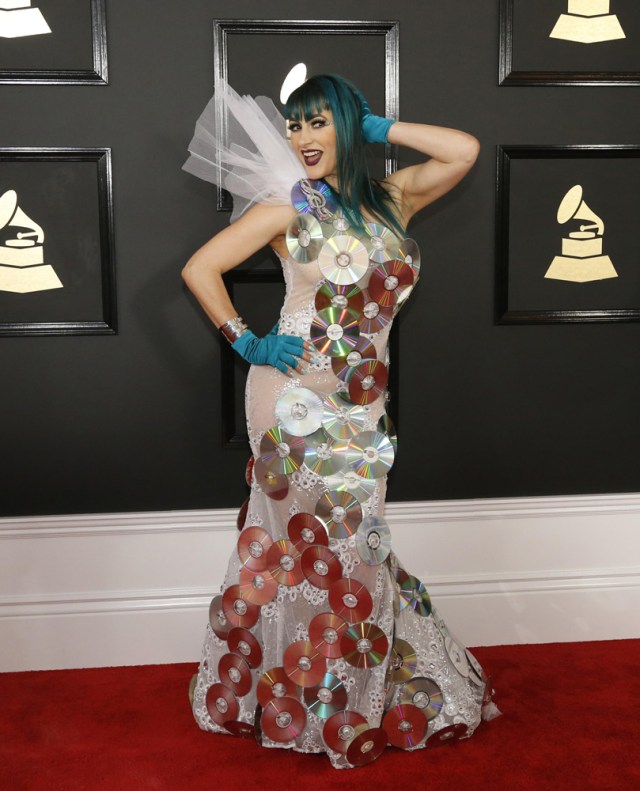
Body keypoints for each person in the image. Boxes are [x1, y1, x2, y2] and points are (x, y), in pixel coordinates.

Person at [182, 74, 499, 769]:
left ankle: (344, 695)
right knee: (292, 550)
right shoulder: (285, 205)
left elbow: (465, 150)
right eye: (294, 127)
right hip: (288, 395)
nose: (302, 138)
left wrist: (377, 128)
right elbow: (202, 267)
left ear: (346, 130)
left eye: (318, 123)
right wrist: (247, 341)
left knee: (358, 550)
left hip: (359, 404)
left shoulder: (393, 199)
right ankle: (301, 699)